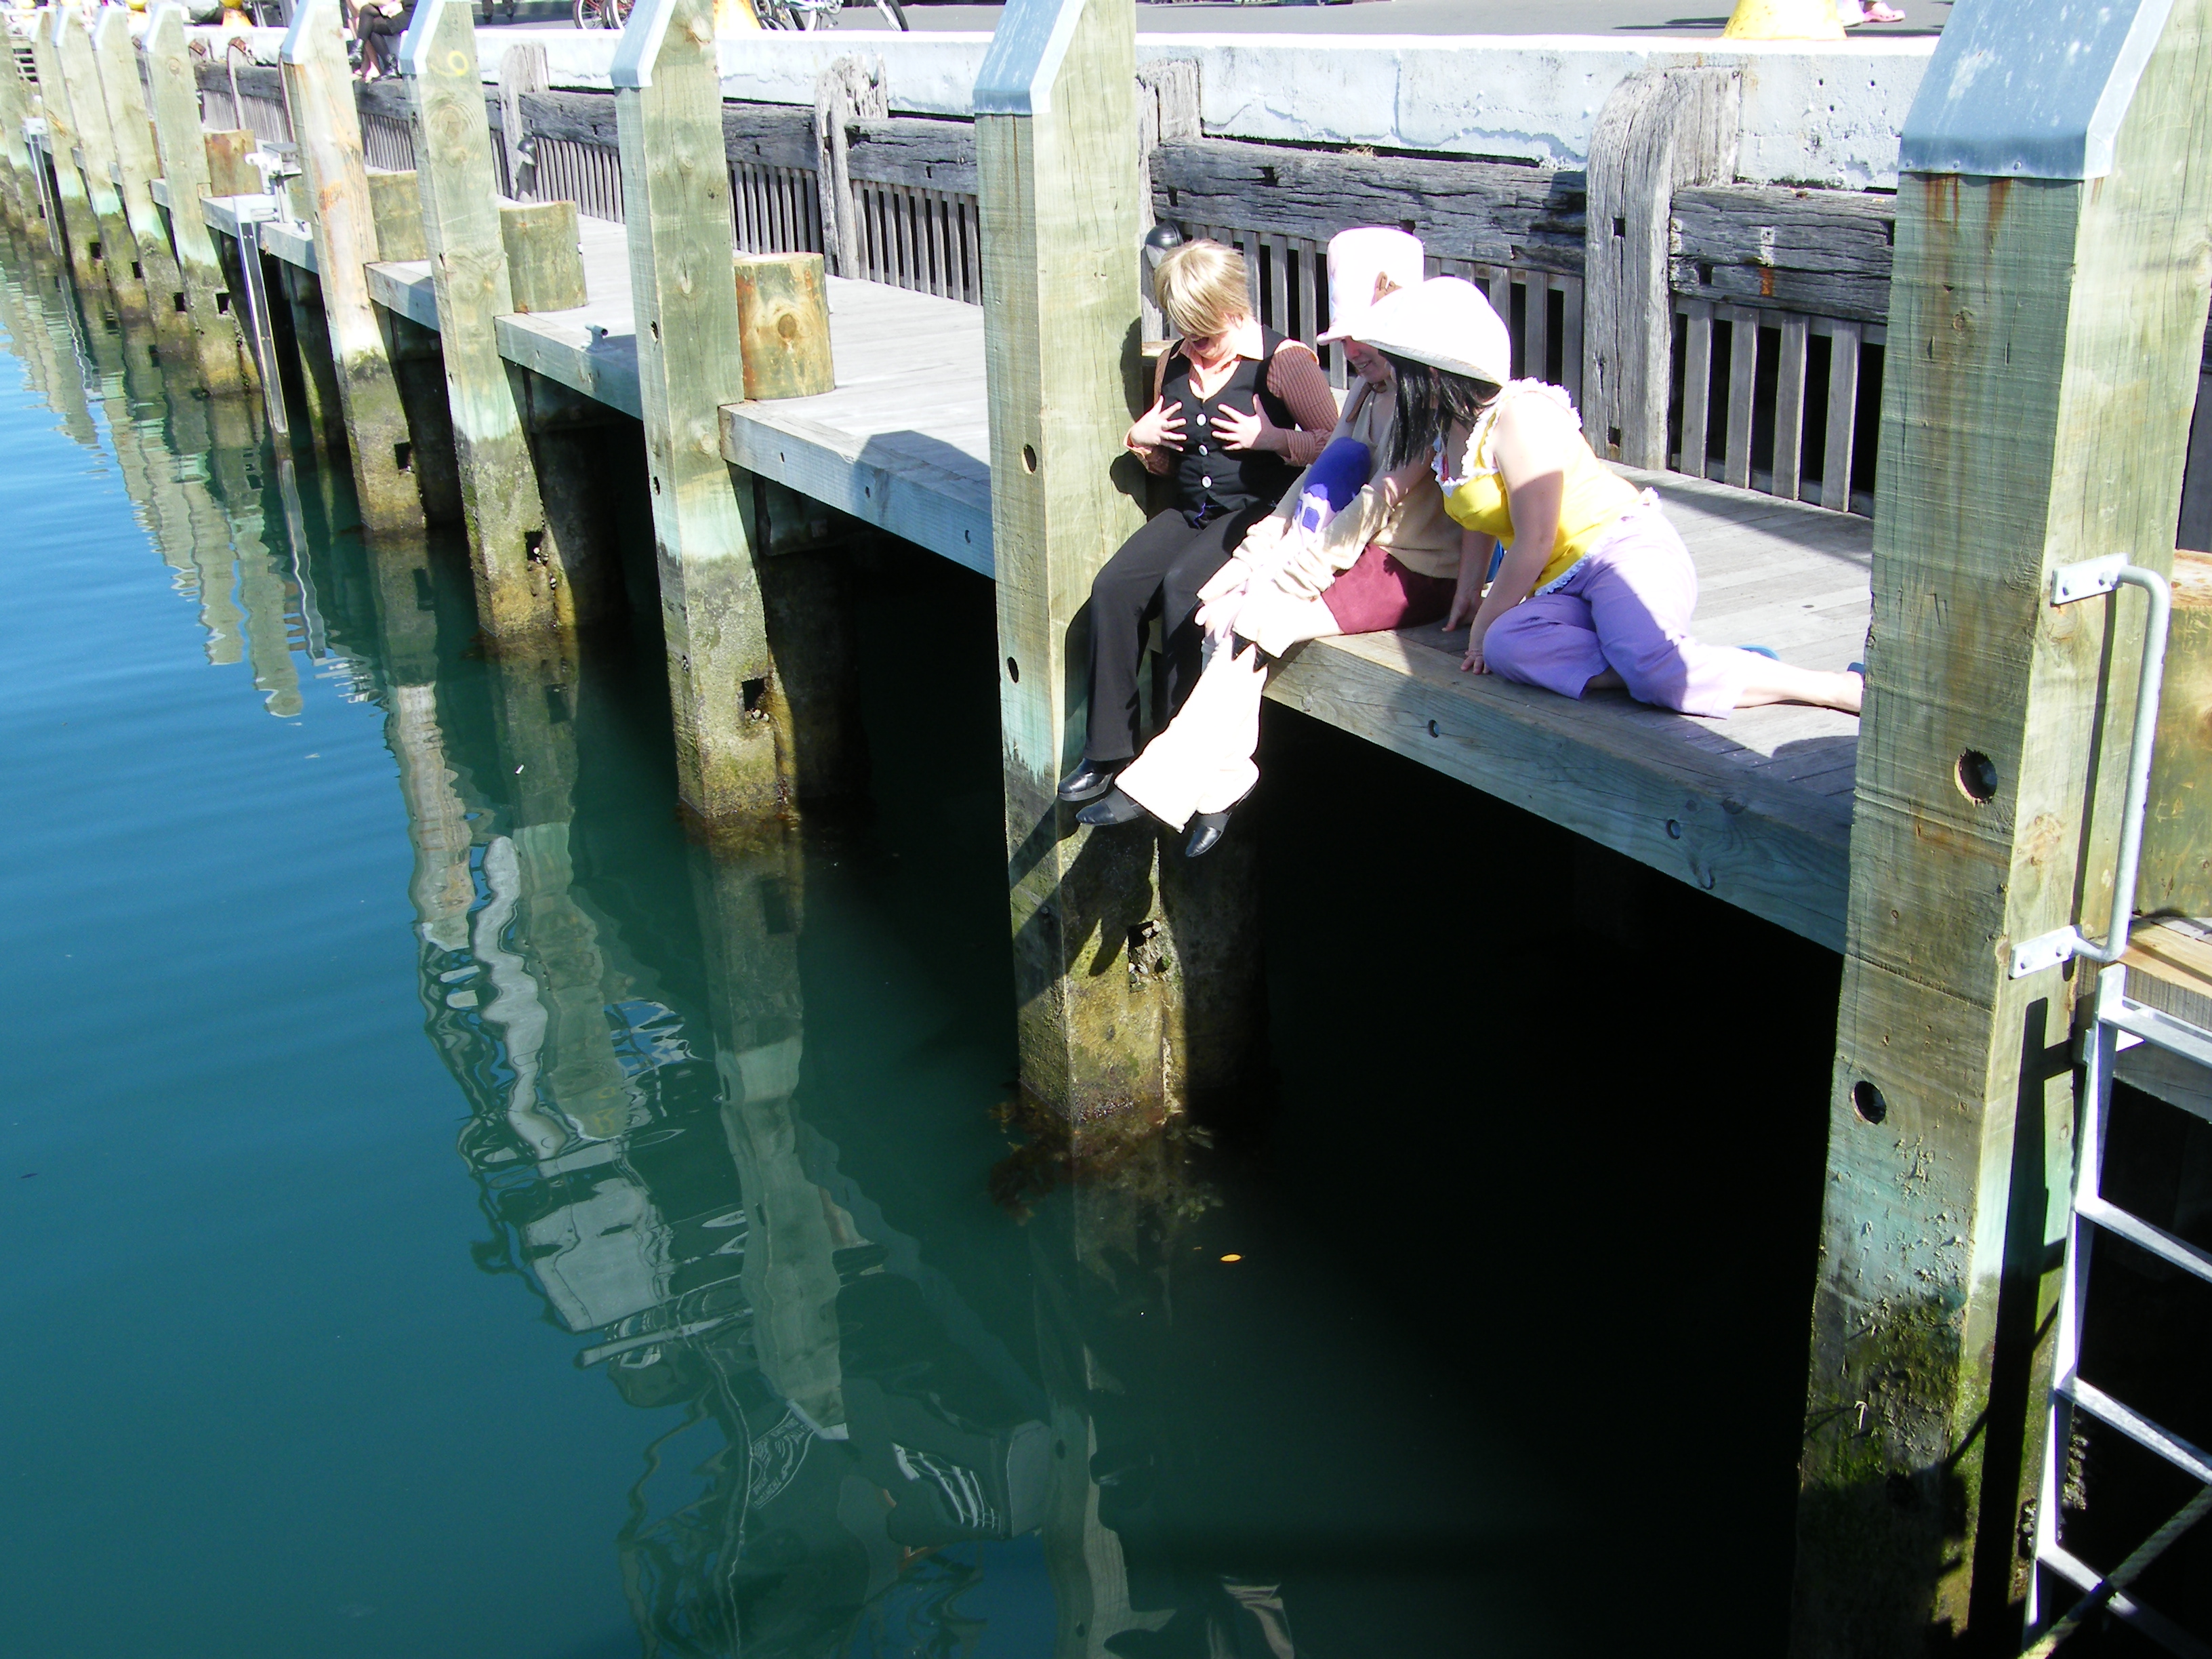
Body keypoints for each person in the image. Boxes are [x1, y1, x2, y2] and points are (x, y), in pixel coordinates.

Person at [1078, 228, 1475, 856]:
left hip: (1408, 566)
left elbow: (1377, 502)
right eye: (1345, 337)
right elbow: (1317, 483)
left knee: (1255, 619)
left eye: (1363, 336)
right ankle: (1223, 781)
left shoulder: (1425, 400)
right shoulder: (1368, 390)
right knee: (1219, 606)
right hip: (1351, 545)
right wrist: (1251, 558)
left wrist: (1288, 575)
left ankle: (1160, 782)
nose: (1350, 350)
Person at [1365, 276, 1862, 716]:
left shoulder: (1520, 416)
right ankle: (1688, 666)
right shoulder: (1451, 427)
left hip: (1621, 552)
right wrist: (1469, 595)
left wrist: (1481, 627)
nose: (1393, 380)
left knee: (1645, 670)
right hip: (1559, 584)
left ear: (1433, 372)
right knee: (1508, 647)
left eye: (1401, 368)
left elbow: (1535, 540)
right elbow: (1480, 518)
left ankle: (1835, 688)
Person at [1052, 240, 1341, 808]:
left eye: (1206, 335)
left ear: (1233, 309)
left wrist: (1271, 439)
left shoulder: (1285, 362)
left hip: (1261, 514)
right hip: (1193, 510)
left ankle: (1174, 757)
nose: (1196, 347)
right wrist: (1144, 441)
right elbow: (1169, 463)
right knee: (1114, 587)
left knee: (1185, 586)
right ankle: (1108, 750)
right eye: (1187, 333)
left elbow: (1337, 445)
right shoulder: (1175, 362)